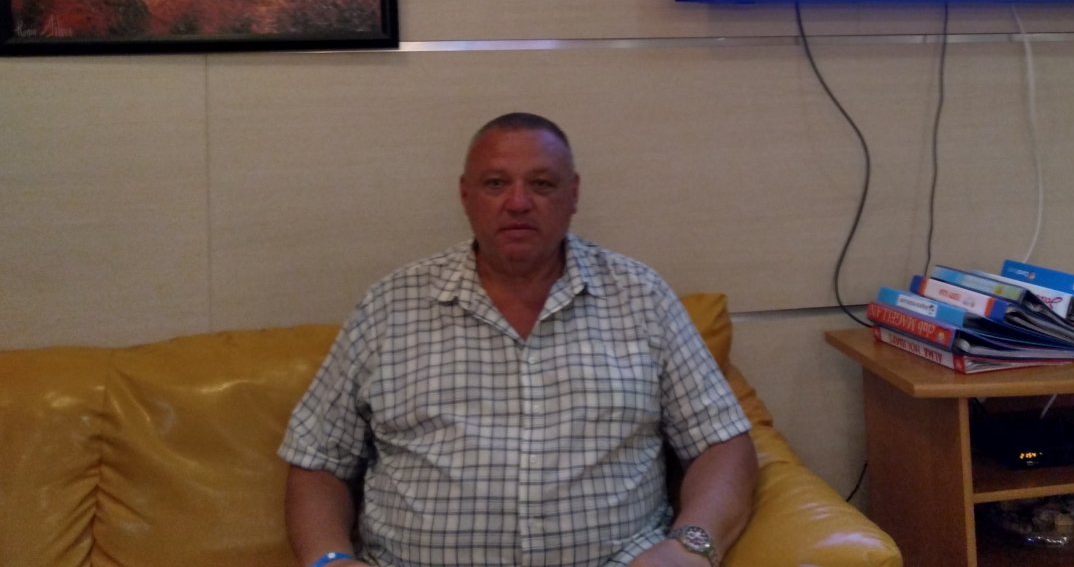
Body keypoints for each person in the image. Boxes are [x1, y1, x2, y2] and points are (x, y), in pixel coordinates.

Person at [280, 112, 757, 567]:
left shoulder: (641, 297)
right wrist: (330, 559)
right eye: (495, 183)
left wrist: (691, 546)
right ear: (465, 195)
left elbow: (721, 445)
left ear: (573, 194)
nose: (518, 202)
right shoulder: (390, 305)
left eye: (542, 184)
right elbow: (318, 460)